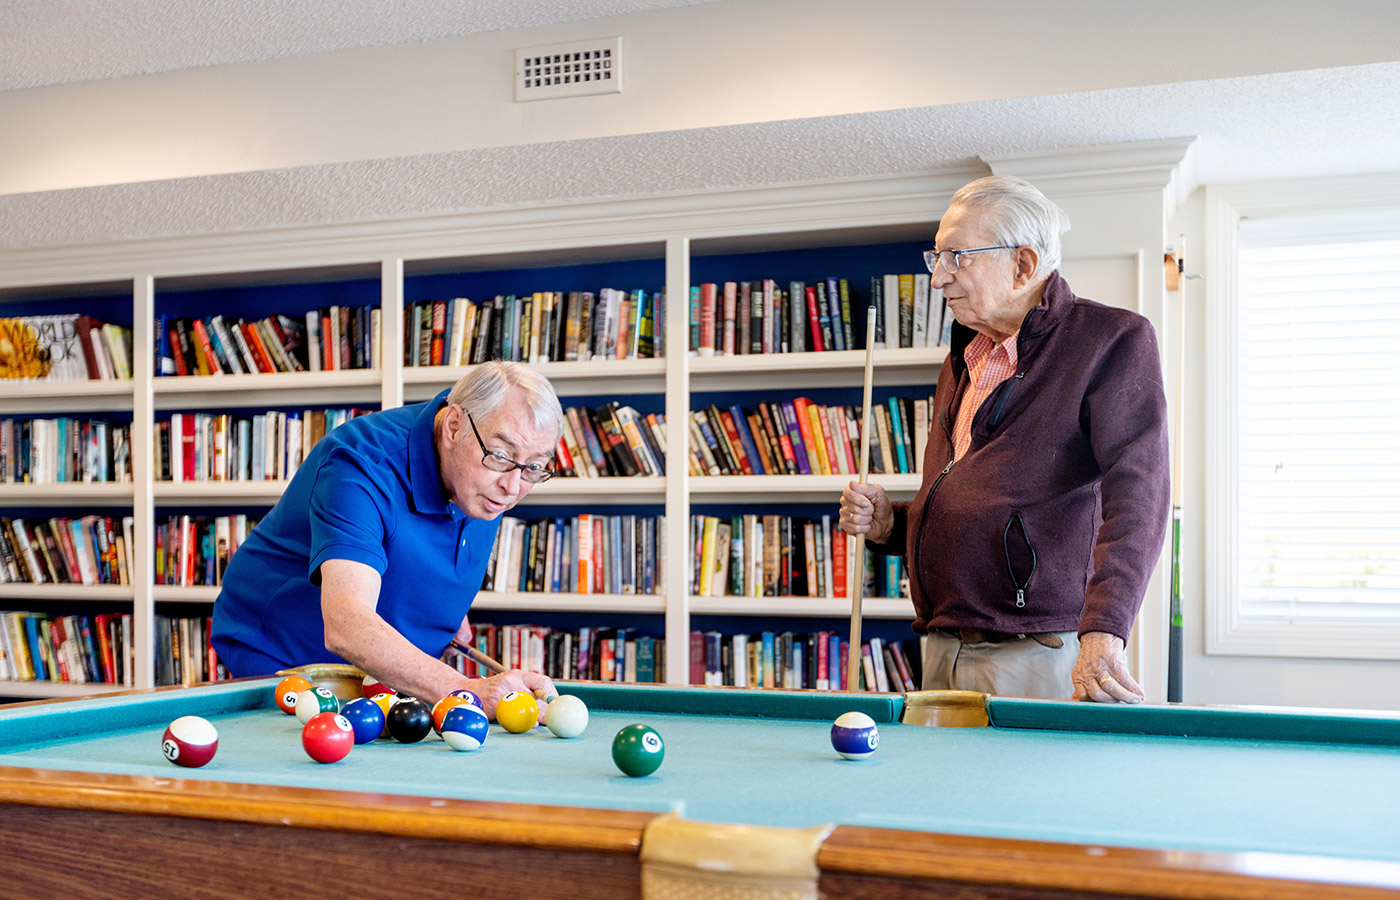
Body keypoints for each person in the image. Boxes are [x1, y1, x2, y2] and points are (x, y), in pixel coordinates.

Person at [840, 175, 1169, 703]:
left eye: (957, 257)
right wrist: (891, 525)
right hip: (942, 645)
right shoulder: (966, 357)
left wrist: (1106, 629)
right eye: (936, 257)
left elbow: (1141, 498)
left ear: (1023, 265)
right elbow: (973, 504)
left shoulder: (1111, 339)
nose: (937, 278)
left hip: (1034, 651)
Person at [212, 361, 563, 721]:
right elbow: (346, 624)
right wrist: (467, 690)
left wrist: (444, 610)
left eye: (535, 467)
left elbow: (422, 540)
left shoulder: (489, 465)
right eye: (501, 456)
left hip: (381, 677)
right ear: (454, 426)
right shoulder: (360, 466)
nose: (514, 487)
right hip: (287, 661)